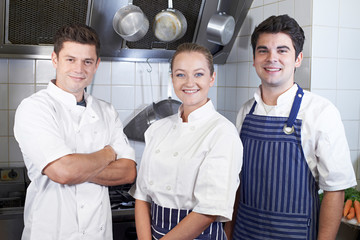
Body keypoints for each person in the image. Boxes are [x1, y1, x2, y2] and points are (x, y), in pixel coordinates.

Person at [225, 15, 357, 240]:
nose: (271, 58)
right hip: (244, 233)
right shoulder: (245, 112)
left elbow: (335, 190)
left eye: (282, 50)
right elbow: (237, 183)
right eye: (263, 50)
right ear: (255, 59)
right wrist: (228, 233)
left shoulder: (321, 112)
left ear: (298, 59)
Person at [14, 23, 136, 240]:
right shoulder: (35, 108)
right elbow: (63, 172)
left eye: (87, 61)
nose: (79, 69)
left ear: (97, 64)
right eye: (70, 59)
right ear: (55, 59)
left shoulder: (106, 111)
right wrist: (108, 154)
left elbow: (128, 172)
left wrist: (75, 168)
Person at [130, 43, 243, 240]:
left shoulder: (223, 133)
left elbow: (208, 211)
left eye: (198, 74)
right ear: (172, 78)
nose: (189, 82)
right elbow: (142, 196)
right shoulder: (157, 130)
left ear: (212, 78)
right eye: (181, 74)